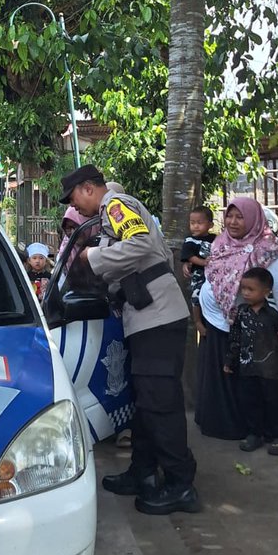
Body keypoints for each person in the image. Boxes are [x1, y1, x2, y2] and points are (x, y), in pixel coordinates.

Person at [62, 163, 199, 515]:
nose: (73, 205)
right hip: (146, 317)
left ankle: (180, 484)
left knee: (161, 404)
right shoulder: (107, 215)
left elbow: (139, 244)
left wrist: (92, 257)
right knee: (145, 403)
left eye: (73, 197)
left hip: (158, 318)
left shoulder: (115, 204)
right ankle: (143, 472)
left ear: (89, 188)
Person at [196, 197, 278, 441]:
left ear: (253, 219)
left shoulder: (266, 249)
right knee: (219, 378)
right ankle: (218, 424)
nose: (232, 222)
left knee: (250, 387)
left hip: (246, 331)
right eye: (229, 216)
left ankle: (253, 430)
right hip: (216, 325)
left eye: (240, 217)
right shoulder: (221, 243)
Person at [224, 267, 278, 454]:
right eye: (243, 288)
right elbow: (235, 338)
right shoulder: (241, 313)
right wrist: (230, 361)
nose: (245, 293)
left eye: (251, 289)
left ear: (266, 292)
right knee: (250, 401)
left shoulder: (274, 316)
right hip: (247, 369)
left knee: (274, 402)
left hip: (270, 371)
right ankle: (255, 434)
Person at [181, 206, 216, 337]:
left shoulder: (215, 239)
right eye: (192, 223)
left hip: (214, 275)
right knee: (196, 296)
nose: (195, 226)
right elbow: (190, 256)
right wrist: (203, 263)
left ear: (210, 225)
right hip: (199, 273)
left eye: (199, 223)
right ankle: (197, 321)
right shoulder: (190, 240)